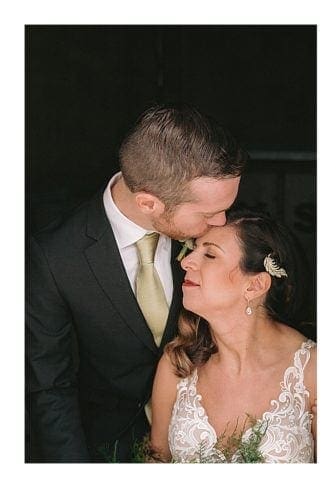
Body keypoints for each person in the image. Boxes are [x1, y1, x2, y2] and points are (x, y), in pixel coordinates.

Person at [26, 104, 246, 462]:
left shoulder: (218, 222)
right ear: (149, 203)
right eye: (208, 215)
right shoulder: (54, 258)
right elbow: (50, 387)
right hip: (107, 451)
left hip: (214, 442)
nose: (223, 221)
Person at [149, 210, 316, 463]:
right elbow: (155, 462)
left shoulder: (314, 371)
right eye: (193, 250)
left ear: (255, 285)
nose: (185, 262)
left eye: (210, 254)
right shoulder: (178, 364)